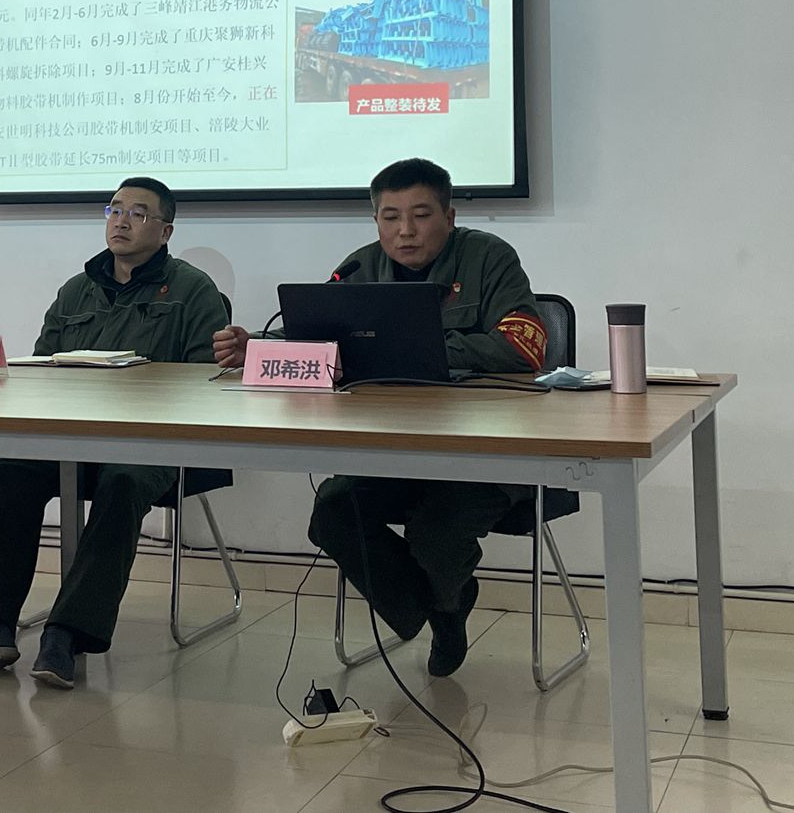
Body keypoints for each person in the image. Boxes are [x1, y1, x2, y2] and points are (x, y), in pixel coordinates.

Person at [213, 157, 547, 676]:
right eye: (391, 217)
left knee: (435, 531)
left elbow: (524, 348)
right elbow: (316, 338)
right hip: (394, 450)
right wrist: (256, 345)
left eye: (421, 215)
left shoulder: (488, 258)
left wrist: (419, 349)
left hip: (484, 454)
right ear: (376, 221)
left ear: (449, 216)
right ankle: (443, 605)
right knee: (333, 511)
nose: (405, 230)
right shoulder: (358, 269)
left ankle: (444, 603)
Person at [0, 177, 229, 690]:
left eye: (138, 213)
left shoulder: (194, 290)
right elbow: (42, 369)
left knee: (123, 480)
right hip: (72, 438)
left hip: (150, 443)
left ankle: (68, 631)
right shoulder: (77, 289)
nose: (121, 221)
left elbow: (205, 382)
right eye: (115, 210)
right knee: (7, 473)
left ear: (166, 231)